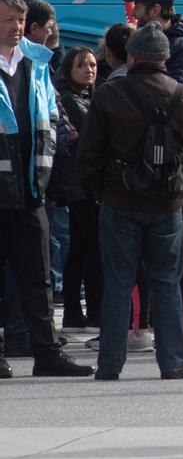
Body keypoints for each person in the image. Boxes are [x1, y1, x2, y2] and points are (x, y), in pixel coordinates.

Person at [75, 21, 183, 381]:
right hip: (168, 205)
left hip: (119, 202)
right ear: (166, 59)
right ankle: (173, 363)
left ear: (133, 56)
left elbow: (89, 154)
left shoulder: (108, 94)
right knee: (168, 282)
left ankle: (110, 365)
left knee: (118, 283)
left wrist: (100, 191)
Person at [0, 0, 92, 378]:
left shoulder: (36, 63)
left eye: (20, 20)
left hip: (31, 188)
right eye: (9, 20)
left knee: (38, 275)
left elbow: (50, 118)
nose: (17, 27)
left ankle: (46, 353)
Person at [53, 47, 102, 329]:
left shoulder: (90, 97)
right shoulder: (70, 100)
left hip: (85, 183)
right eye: (81, 65)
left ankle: (77, 310)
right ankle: (85, 308)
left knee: (82, 246)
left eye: (93, 64)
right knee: (87, 247)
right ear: (69, 70)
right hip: (80, 183)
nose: (89, 69)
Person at [126, 0, 183, 88]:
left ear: (155, 10)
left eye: (137, 6)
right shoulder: (137, 41)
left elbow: (170, 95)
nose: (133, 13)